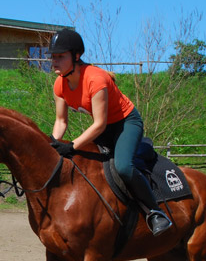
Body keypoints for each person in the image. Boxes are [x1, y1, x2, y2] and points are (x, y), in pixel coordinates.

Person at [48, 29, 172, 236]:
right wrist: (53, 144)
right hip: (103, 128)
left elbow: (99, 124)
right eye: (53, 57)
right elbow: (61, 121)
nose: (54, 61)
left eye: (60, 56)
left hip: (125, 123)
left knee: (123, 166)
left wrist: (71, 146)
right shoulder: (60, 84)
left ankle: (155, 212)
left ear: (76, 56)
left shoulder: (96, 79)